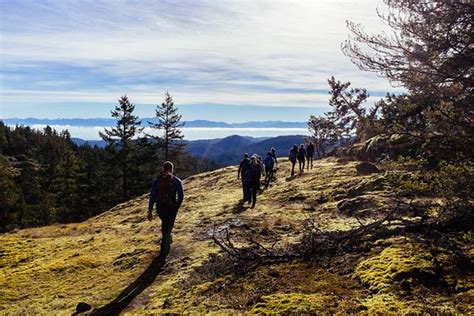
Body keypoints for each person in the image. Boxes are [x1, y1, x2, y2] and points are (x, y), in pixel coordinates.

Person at [148, 161, 184, 261]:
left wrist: (150, 211)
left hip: (160, 208)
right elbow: (181, 195)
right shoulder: (176, 181)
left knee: (166, 225)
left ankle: (165, 245)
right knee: (167, 227)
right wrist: (177, 206)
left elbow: (152, 197)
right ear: (172, 169)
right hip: (171, 208)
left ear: (163, 169)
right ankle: (164, 252)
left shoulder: (157, 181)